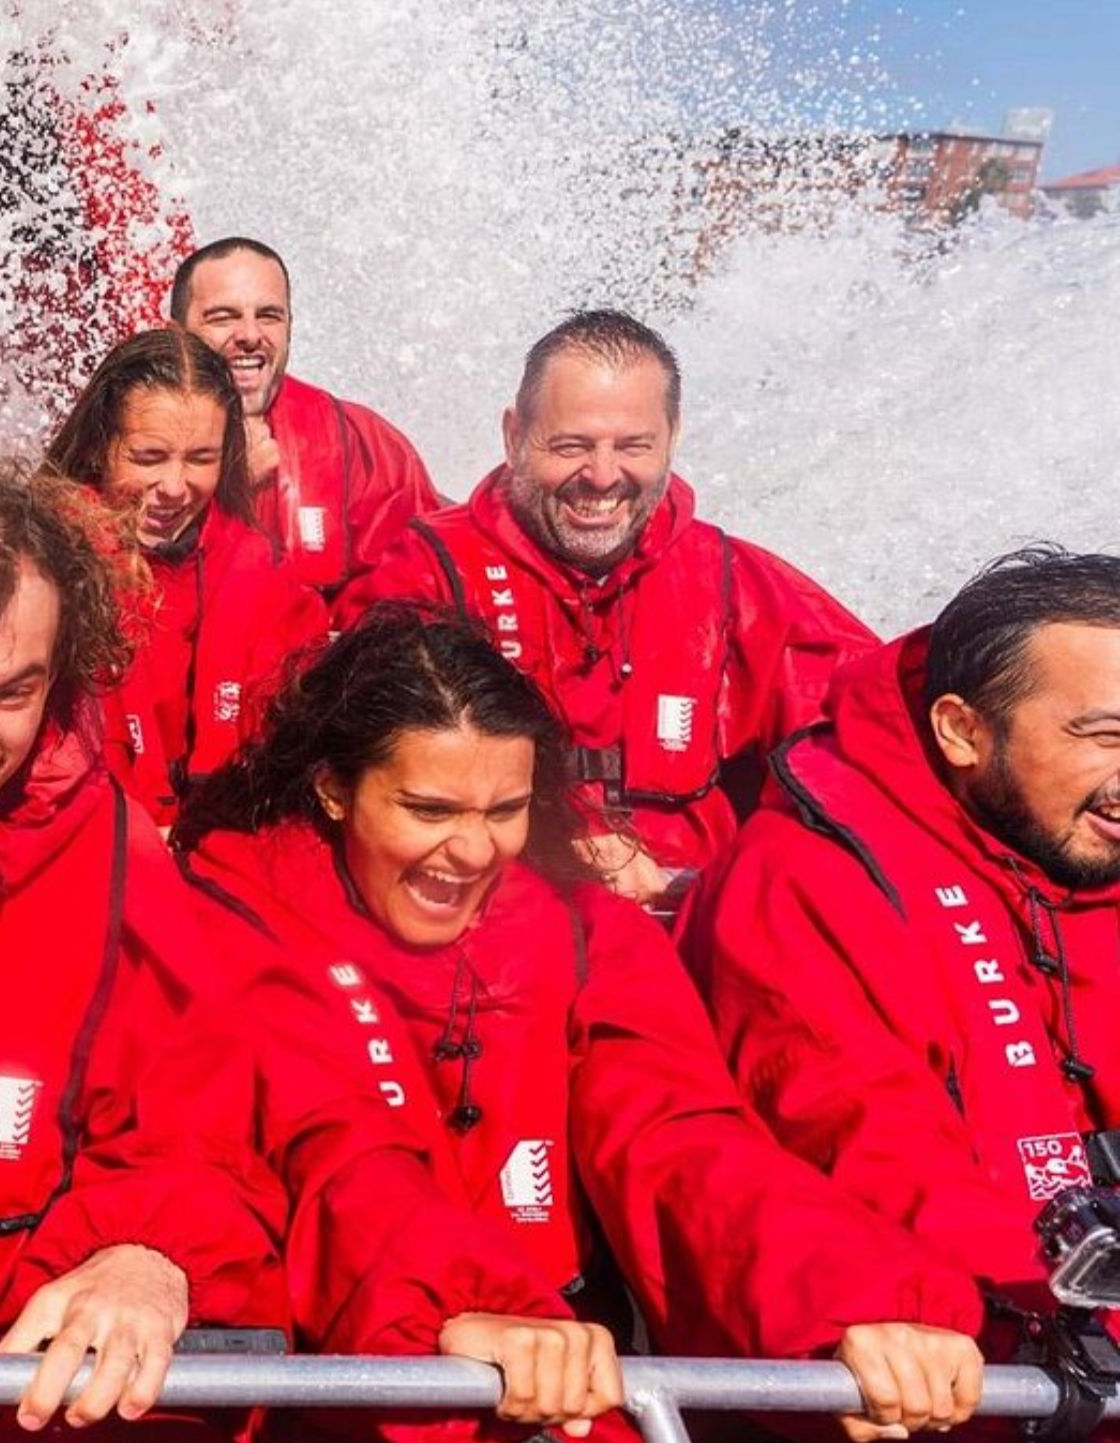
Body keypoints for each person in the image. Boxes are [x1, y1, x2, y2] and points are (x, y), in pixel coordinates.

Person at [0, 467, 631, 1439]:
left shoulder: (115, 856)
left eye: (9, 694)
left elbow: (245, 1118)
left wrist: (150, 1252)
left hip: (41, 1386)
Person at [172, 605, 986, 1442]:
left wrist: (849, 1298)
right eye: (430, 809)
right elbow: (328, 1146)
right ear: (334, 789)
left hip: (562, 1369)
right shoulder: (228, 924)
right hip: (355, 1384)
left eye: (503, 810)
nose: (473, 850)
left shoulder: (587, 933)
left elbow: (678, 1137)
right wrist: (458, 1301)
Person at [681, 547, 1120, 1329]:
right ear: (961, 731)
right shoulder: (804, 882)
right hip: (977, 1364)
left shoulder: (1079, 847)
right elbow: (870, 1152)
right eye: (1105, 735)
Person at [349, 309, 875, 906]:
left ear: (672, 437)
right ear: (513, 436)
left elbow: (877, 727)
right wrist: (555, 849)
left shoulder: (734, 581)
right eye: (571, 445)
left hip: (697, 919)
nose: (602, 476)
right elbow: (370, 790)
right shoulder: (423, 574)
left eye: (633, 446)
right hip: (497, 917)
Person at [41, 328, 328, 832]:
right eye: (148, 458)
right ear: (99, 448)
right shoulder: (42, 564)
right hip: (92, 837)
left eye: (201, 459)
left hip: (225, 837)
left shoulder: (266, 575)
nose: (175, 486)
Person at [168, 239, 442, 605]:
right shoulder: (123, 440)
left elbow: (419, 607)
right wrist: (227, 492)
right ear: (176, 334)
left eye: (269, 315)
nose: (250, 335)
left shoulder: (368, 448)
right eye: (223, 317)